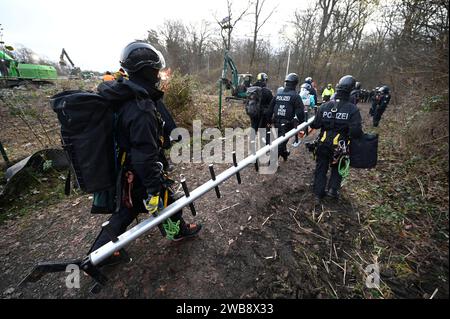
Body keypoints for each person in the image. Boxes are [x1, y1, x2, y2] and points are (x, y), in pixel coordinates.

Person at [91, 41, 202, 260]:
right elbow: (144, 154)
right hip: (139, 171)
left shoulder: (127, 94)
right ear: (148, 71)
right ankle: (100, 254)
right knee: (163, 200)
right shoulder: (140, 108)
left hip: (128, 169)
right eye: (156, 70)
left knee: (127, 210)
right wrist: (153, 188)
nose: (159, 75)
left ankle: (100, 253)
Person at [310, 75, 363, 202]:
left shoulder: (325, 106)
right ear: (351, 90)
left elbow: (315, 124)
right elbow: (356, 132)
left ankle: (318, 194)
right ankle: (333, 190)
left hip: (322, 143)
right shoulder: (352, 109)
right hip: (340, 146)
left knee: (321, 167)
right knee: (337, 167)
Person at [270, 73, 305, 161]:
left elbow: (270, 108)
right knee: (281, 141)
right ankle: (273, 161)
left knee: (280, 140)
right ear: (296, 84)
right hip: (287, 124)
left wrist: (268, 120)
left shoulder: (278, 94)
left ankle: (285, 153)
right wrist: (302, 124)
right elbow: (300, 112)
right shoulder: (296, 96)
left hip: (276, 122)